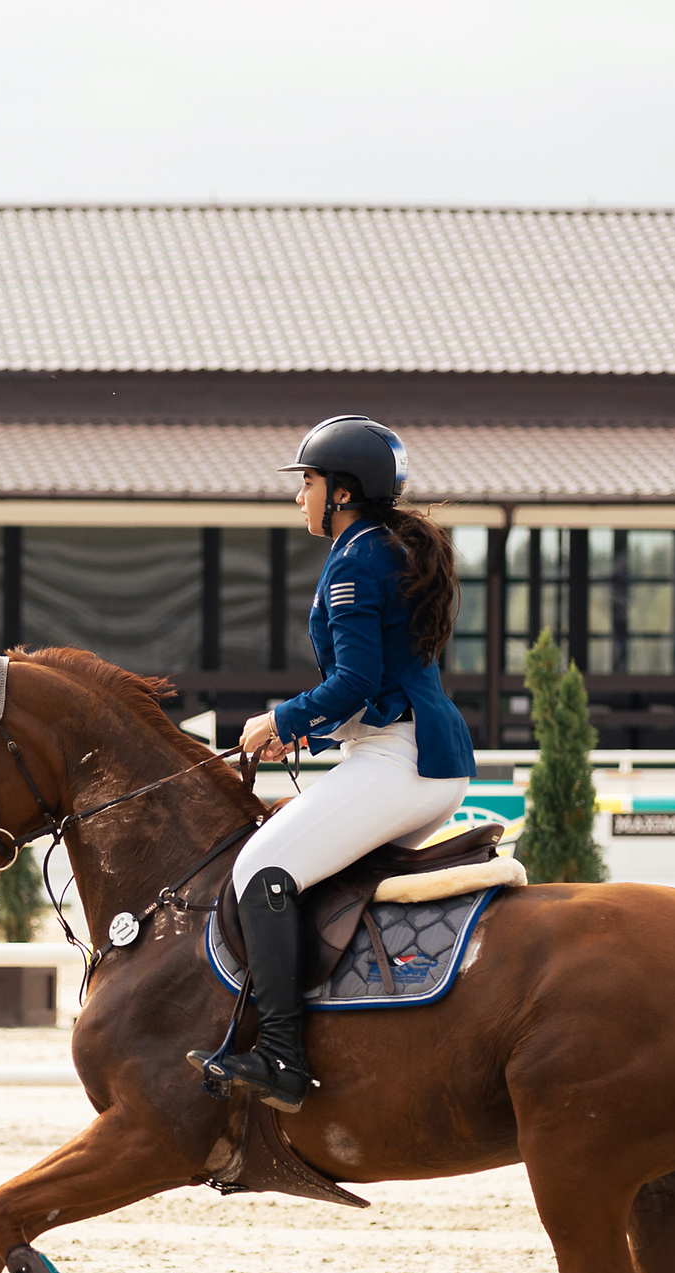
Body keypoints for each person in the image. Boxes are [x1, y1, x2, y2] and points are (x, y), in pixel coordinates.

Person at [212, 416, 476, 1111]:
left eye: (308, 482)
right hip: (405, 752)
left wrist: (282, 719)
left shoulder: (357, 560)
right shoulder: (375, 546)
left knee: (260, 870)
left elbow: (356, 681)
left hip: (403, 761)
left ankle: (282, 1056)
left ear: (343, 492)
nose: (299, 496)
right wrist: (307, 732)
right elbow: (375, 682)